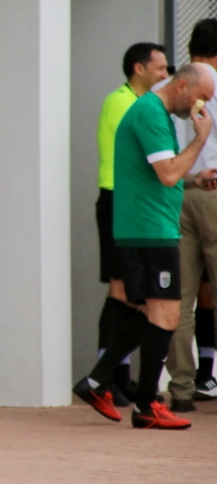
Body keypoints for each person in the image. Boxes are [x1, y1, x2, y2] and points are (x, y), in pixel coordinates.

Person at [74, 63, 217, 430]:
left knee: (149, 312)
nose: (204, 107)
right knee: (167, 315)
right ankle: (146, 405)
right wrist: (201, 139)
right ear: (182, 85)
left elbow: (162, 175)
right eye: (203, 97)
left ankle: (95, 382)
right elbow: (167, 174)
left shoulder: (157, 113)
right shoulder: (151, 114)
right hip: (150, 230)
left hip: (149, 226)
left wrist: (196, 180)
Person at [93, 43, 168, 406]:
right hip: (116, 201)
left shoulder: (140, 103)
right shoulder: (124, 102)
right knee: (120, 290)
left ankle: (114, 376)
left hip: (130, 204)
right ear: (139, 69)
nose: (165, 76)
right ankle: (107, 377)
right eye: (160, 69)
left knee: (133, 294)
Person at [164, 19, 217, 411]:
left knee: (179, 299)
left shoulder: (168, 88)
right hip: (213, 189)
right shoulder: (212, 85)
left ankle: (180, 391)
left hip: (174, 192)